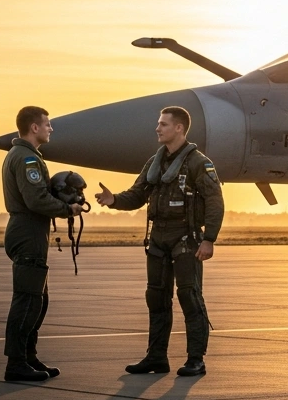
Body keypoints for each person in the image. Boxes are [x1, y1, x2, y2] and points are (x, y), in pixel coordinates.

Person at [95, 106, 223, 377]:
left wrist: (209, 238)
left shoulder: (199, 163)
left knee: (189, 296)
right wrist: (114, 200)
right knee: (156, 298)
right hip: (158, 238)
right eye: (158, 123)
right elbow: (138, 194)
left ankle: (195, 359)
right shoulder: (155, 161)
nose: (158, 128)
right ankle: (156, 357)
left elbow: (214, 201)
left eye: (163, 124)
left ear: (179, 128)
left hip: (186, 237)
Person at [1, 106, 81, 382]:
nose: (50, 128)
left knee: (39, 300)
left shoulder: (25, 155)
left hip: (31, 231)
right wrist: (66, 209)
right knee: (27, 299)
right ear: (34, 128)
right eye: (47, 124)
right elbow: (35, 200)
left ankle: (29, 357)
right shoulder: (26, 159)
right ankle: (16, 363)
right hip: (28, 231)